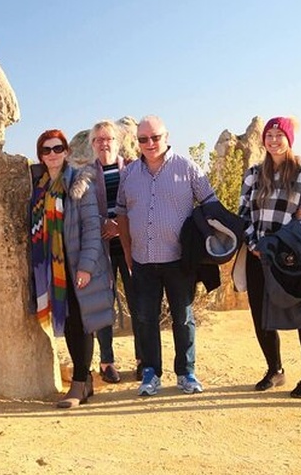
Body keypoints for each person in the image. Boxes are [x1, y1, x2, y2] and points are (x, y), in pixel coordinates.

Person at [116, 115, 219, 397]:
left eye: (155, 137)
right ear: (137, 142)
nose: (150, 144)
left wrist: (207, 245)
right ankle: (150, 373)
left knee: (183, 317)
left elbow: (211, 203)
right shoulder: (129, 175)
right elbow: (122, 214)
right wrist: (127, 250)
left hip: (179, 260)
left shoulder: (187, 167)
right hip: (143, 259)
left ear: (166, 136)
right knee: (146, 318)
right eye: (143, 139)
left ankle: (186, 373)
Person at [238, 116, 301, 398]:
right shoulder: (253, 174)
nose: (274, 141)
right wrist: (253, 243)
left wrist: (273, 243)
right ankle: (274, 370)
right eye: (269, 135)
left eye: (279, 135)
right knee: (261, 315)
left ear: (289, 140)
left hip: (289, 256)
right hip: (256, 254)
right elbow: (244, 214)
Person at [29, 129, 114, 409]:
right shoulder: (40, 187)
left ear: (66, 152)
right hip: (54, 269)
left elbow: (92, 227)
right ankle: (85, 380)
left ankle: (79, 383)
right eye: (46, 150)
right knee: (68, 323)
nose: (52, 154)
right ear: (40, 155)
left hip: (78, 264)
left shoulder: (79, 182)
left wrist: (87, 267)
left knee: (81, 322)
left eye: (57, 148)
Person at [88, 120, 140, 383]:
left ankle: (143, 360)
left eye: (108, 139)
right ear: (93, 145)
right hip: (101, 249)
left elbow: (140, 203)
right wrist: (102, 224)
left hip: (131, 246)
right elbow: (82, 210)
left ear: (118, 143)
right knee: (104, 305)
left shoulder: (132, 170)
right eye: (98, 139)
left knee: (138, 302)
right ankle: (107, 362)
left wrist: (120, 225)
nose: (104, 143)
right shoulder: (85, 175)